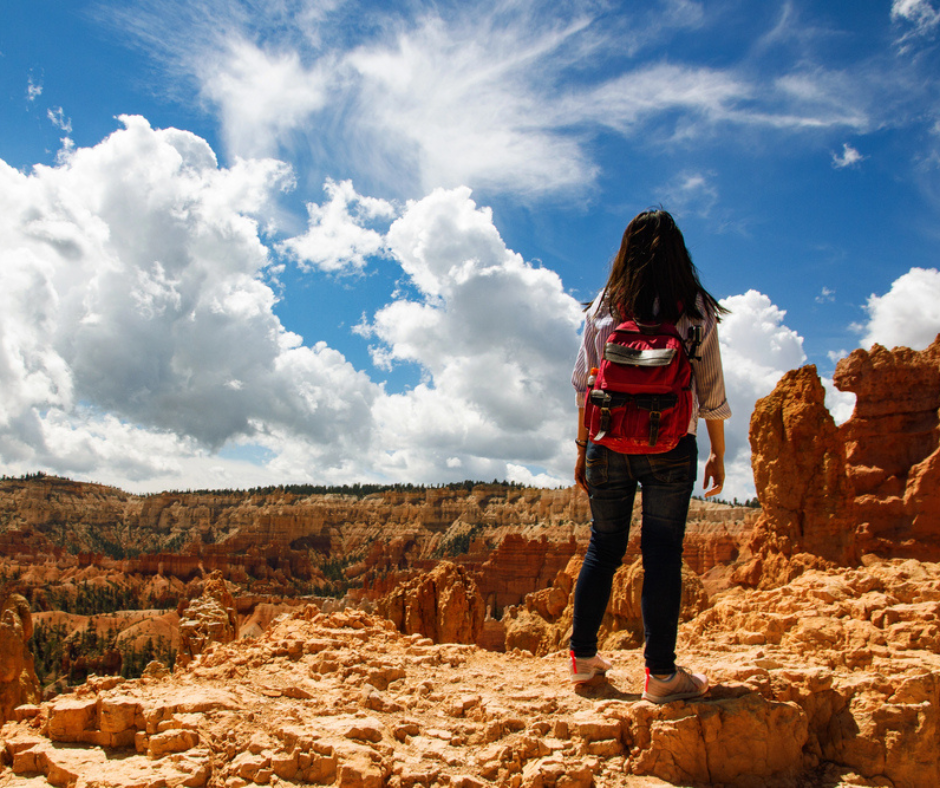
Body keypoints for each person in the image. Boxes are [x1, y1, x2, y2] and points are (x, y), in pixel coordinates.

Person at [569, 208, 731, 703]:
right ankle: (661, 676)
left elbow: (583, 384)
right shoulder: (696, 309)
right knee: (662, 555)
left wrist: (583, 449)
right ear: (679, 252)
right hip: (671, 445)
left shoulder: (603, 306)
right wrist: (718, 454)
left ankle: (582, 659)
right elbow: (711, 389)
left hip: (607, 442)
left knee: (603, 547)